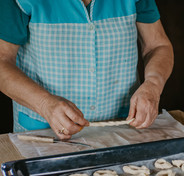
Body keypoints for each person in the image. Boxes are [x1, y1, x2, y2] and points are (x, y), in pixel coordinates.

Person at [0, 0, 174, 140]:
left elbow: (157, 45)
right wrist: (45, 104)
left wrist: (153, 85)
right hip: (43, 132)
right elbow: (2, 62)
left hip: (123, 127)